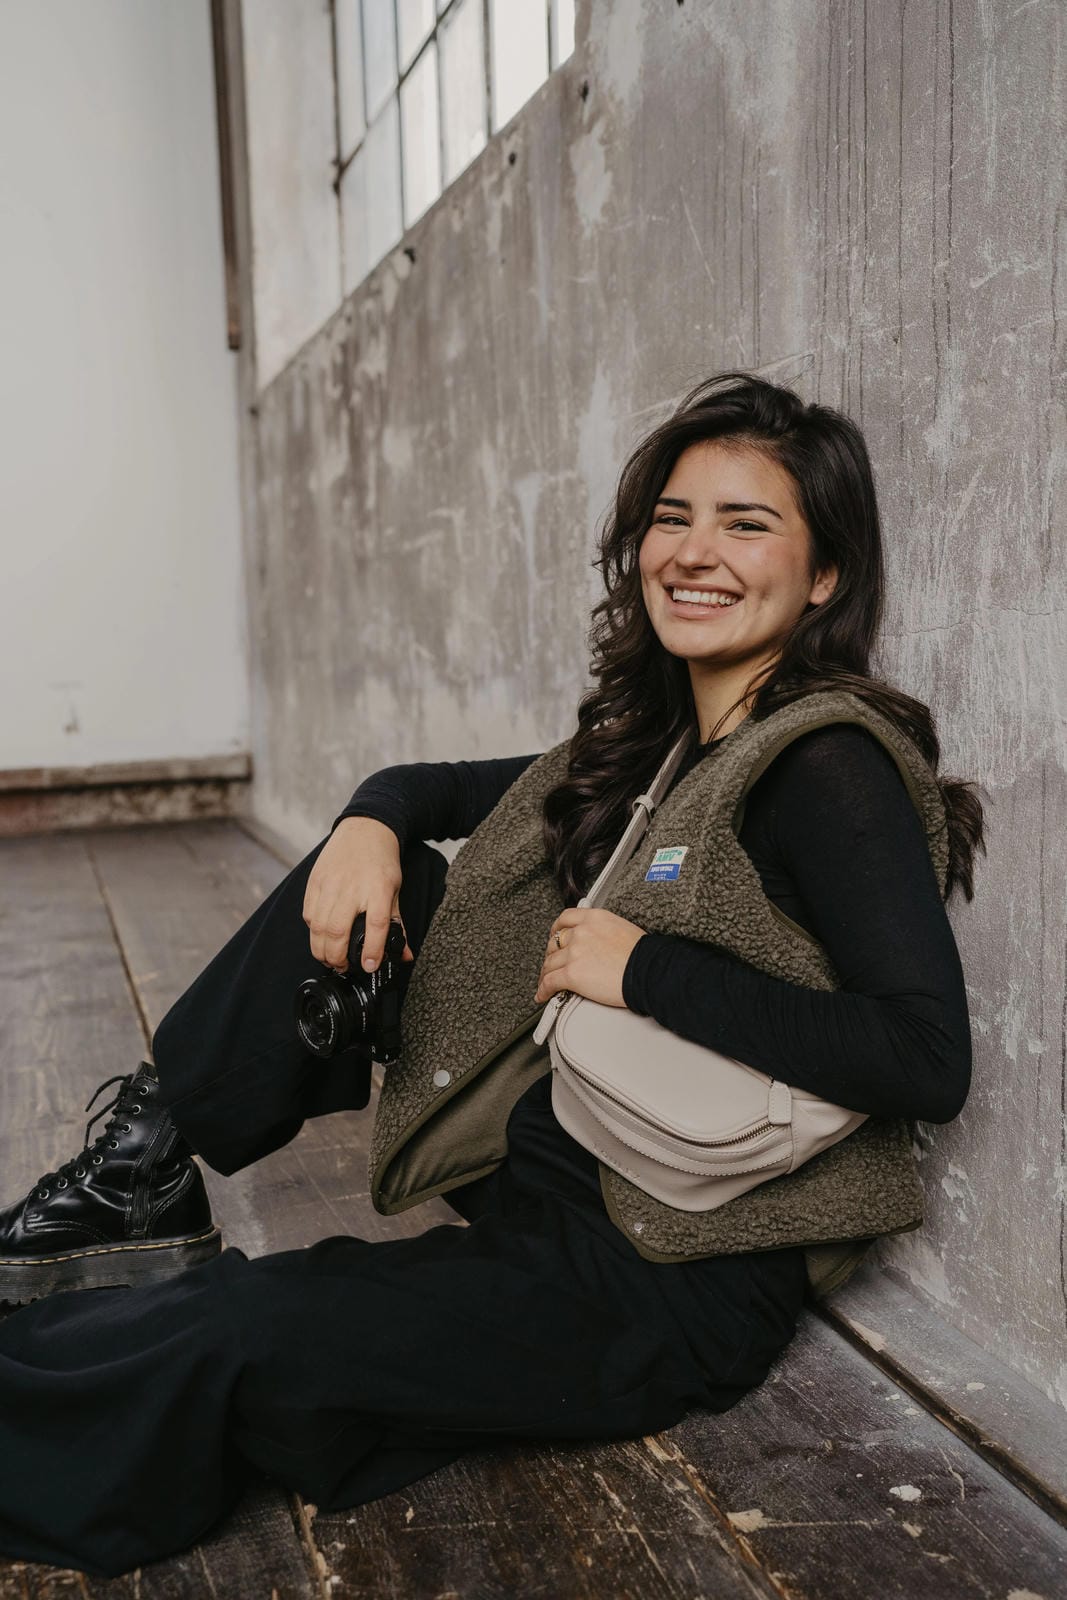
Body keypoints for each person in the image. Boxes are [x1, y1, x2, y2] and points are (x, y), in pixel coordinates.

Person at [0, 372, 984, 1578]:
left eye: (746, 523)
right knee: (379, 872)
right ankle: (145, 1167)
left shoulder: (825, 763)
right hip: (547, 1167)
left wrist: (645, 968)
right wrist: (366, 820)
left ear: (823, 573)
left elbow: (923, 1060)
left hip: (657, 1279)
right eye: (672, 518)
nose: (692, 552)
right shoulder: (672, 742)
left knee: (251, 1329)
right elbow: (438, 789)